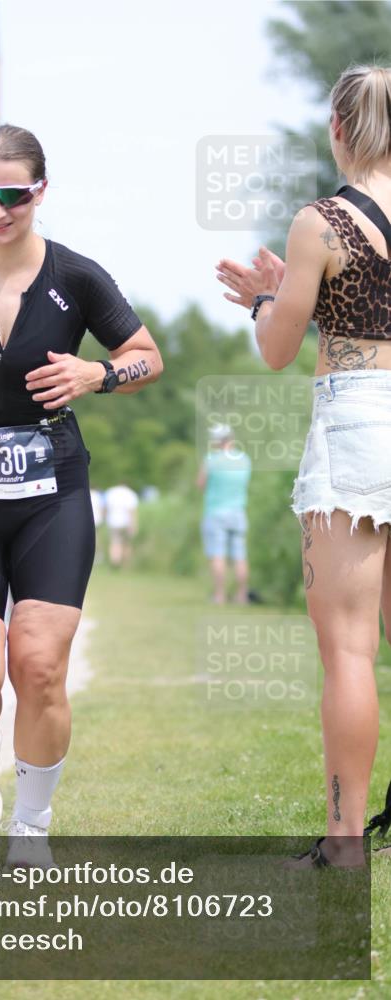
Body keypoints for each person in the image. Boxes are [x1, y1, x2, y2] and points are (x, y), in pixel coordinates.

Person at [0, 124, 163, 856]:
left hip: (52, 490)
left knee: (41, 665)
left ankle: (32, 831)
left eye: (12, 195)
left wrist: (98, 375)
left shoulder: (77, 277)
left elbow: (147, 355)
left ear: (40, 192)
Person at [215, 65, 391, 865]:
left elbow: (280, 350)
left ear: (339, 130)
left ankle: (345, 840)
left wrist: (267, 300)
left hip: (360, 422)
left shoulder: (320, 223)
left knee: (351, 650)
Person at [196, 423, 251, 604]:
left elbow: (200, 484)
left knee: (218, 555)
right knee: (240, 556)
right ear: (231, 439)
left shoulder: (211, 459)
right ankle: (241, 595)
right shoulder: (244, 460)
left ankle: (219, 595)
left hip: (216, 512)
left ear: (216, 441)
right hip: (238, 512)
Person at [104, 483, 139, 568]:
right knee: (126, 543)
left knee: (115, 542)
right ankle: (125, 563)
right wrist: (133, 525)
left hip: (113, 521)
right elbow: (132, 511)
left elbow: (105, 508)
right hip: (126, 522)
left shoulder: (111, 492)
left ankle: (115, 562)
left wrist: (105, 518)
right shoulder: (130, 494)